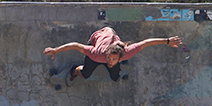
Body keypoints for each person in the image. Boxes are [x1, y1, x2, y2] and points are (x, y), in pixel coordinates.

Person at [43, 26, 182, 84]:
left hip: (112, 37)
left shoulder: (126, 53)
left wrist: (168, 41)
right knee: (85, 74)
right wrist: (56, 50)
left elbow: (145, 43)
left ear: (120, 57)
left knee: (115, 77)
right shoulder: (97, 53)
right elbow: (75, 45)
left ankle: (116, 70)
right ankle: (74, 70)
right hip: (97, 38)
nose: (109, 61)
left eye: (113, 60)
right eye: (109, 58)